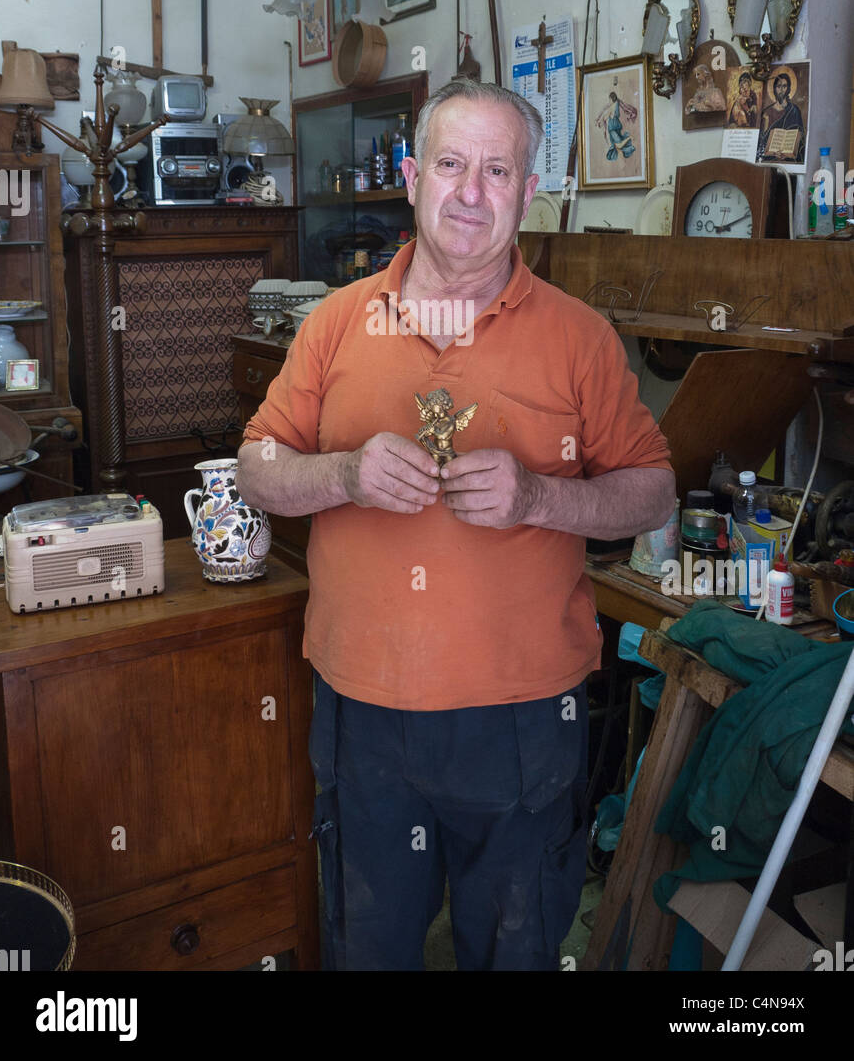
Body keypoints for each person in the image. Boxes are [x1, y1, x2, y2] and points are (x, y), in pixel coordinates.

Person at [237, 79, 674, 971]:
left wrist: (542, 498)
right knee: (369, 949)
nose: (471, 191)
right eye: (450, 163)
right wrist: (346, 473)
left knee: (512, 951)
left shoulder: (581, 338)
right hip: (363, 712)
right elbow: (257, 471)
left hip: (520, 721)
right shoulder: (332, 323)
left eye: (497, 169)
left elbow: (653, 490)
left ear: (526, 189)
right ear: (410, 176)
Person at [756, 71, 805, 160]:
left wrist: (786, 153)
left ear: (789, 89)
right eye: (778, 86)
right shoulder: (766, 112)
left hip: (788, 158)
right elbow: (760, 142)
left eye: (784, 86)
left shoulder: (794, 111)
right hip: (768, 158)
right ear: (774, 89)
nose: (781, 90)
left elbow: (800, 138)